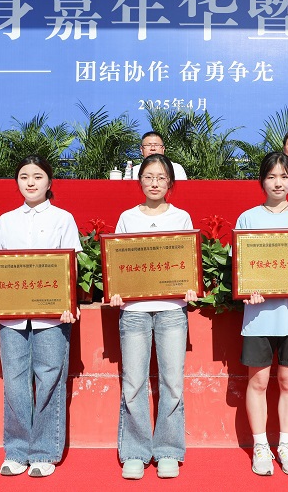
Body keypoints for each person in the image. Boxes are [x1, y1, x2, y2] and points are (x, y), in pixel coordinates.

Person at [0, 155, 82, 478]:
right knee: (15, 383)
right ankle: (17, 450)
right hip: (12, 318)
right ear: (17, 182)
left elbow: (71, 264)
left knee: (49, 381)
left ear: (49, 182)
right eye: (24, 177)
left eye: (37, 176)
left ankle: (44, 452)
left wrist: (70, 301)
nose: (31, 182)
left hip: (52, 317)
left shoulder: (63, 218)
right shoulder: (7, 220)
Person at [110, 153, 197, 480]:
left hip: (172, 309)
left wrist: (190, 286)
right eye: (149, 177)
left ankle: (168, 451)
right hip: (133, 311)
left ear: (170, 182)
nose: (155, 183)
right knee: (133, 382)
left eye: (161, 178)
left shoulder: (181, 217)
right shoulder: (127, 217)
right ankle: (135, 451)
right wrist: (116, 289)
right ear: (140, 181)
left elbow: (187, 259)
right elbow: (117, 260)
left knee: (172, 382)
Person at [235, 152, 288, 477]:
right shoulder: (248, 219)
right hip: (259, 317)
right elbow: (240, 267)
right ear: (262, 181)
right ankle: (260, 446)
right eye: (271, 176)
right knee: (258, 381)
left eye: (284, 176)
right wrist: (247, 289)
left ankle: (286, 445)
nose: (278, 183)